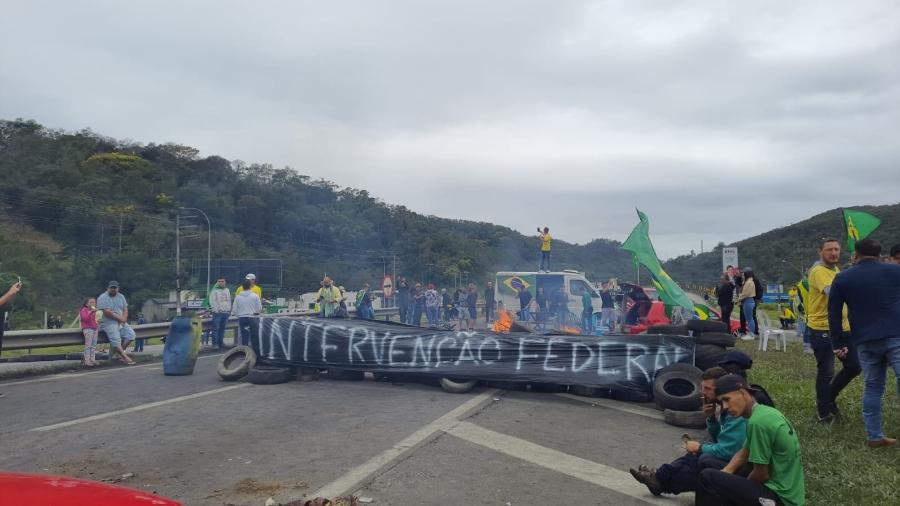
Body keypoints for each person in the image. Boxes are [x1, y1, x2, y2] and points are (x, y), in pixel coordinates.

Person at [827, 238, 900, 448]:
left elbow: (833, 313)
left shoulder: (843, 278)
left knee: (873, 387)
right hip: (895, 335)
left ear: (856, 254)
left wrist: (837, 343)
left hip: (865, 340)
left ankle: (874, 436)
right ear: (879, 254)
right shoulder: (895, 271)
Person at [630, 367, 747, 497]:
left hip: (744, 467)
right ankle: (659, 476)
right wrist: (711, 418)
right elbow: (720, 440)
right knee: (696, 453)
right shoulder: (726, 410)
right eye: (703, 388)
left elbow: (729, 451)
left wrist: (700, 448)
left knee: (704, 458)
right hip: (733, 457)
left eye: (708, 389)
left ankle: (661, 483)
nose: (703, 393)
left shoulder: (736, 412)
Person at [696, 374, 805, 506]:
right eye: (721, 402)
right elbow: (744, 452)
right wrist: (727, 471)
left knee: (707, 477)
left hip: (779, 498)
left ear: (742, 393)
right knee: (709, 462)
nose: (724, 407)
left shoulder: (758, 422)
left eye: (727, 399)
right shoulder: (764, 412)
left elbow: (761, 475)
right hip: (780, 489)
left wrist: (737, 491)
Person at [807, 238, 860, 423]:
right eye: (829, 249)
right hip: (822, 329)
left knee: (854, 367)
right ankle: (824, 412)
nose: (834, 253)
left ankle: (828, 398)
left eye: (836, 249)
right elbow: (832, 293)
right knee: (826, 372)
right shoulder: (818, 271)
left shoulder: (836, 270)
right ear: (820, 251)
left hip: (843, 328)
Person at [96, 281, 136, 365]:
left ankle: (118, 354)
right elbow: (107, 313)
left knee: (131, 335)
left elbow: (125, 309)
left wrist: (124, 319)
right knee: (116, 340)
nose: (113, 289)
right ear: (108, 288)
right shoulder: (103, 297)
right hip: (108, 322)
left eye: (115, 288)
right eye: (111, 288)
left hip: (121, 321)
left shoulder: (121, 296)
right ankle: (125, 357)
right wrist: (121, 319)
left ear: (118, 288)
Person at [232, 279, 262, 346]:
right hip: (252, 317)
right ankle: (253, 349)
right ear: (250, 286)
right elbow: (259, 308)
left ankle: (244, 348)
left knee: (243, 335)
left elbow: (234, 310)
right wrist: (256, 313)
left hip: (242, 317)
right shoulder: (255, 296)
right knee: (253, 334)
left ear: (242, 287)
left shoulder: (238, 297)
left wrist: (238, 315)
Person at [208, 277, 233, 348]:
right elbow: (212, 301)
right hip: (217, 313)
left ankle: (221, 343)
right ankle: (215, 344)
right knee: (216, 329)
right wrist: (215, 310)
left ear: (225, 282)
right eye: (219, 281)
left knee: (222, 329)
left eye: (222, 281)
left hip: (225, 312)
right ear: (217, 282)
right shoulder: (214, 290)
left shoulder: (227, 290)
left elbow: (229, 300)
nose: (221, 283)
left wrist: (229, 310)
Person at [78, 298, 100, 367]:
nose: (93, 304)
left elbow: (97, 319)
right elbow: (85, 319)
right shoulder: (83, 310)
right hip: (87, 328)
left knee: (94, 345)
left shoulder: (95, 311)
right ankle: (87, 360)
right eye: (91, 302)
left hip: (95, 328)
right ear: (87, 304)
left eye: (94, 302)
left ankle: (93, 359)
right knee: (88, 345)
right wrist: (92, 312)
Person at [736, 268, 756, 338]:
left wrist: (738, 299)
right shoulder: (747, 281)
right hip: (747, 301)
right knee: (749, 319)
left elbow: (745, 294)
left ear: (747, 274)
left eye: (743, 274)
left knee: (750, 319)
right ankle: (751, 334)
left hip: (748, 301)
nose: (742, 275)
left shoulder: (749, 282)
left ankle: (751, 334)